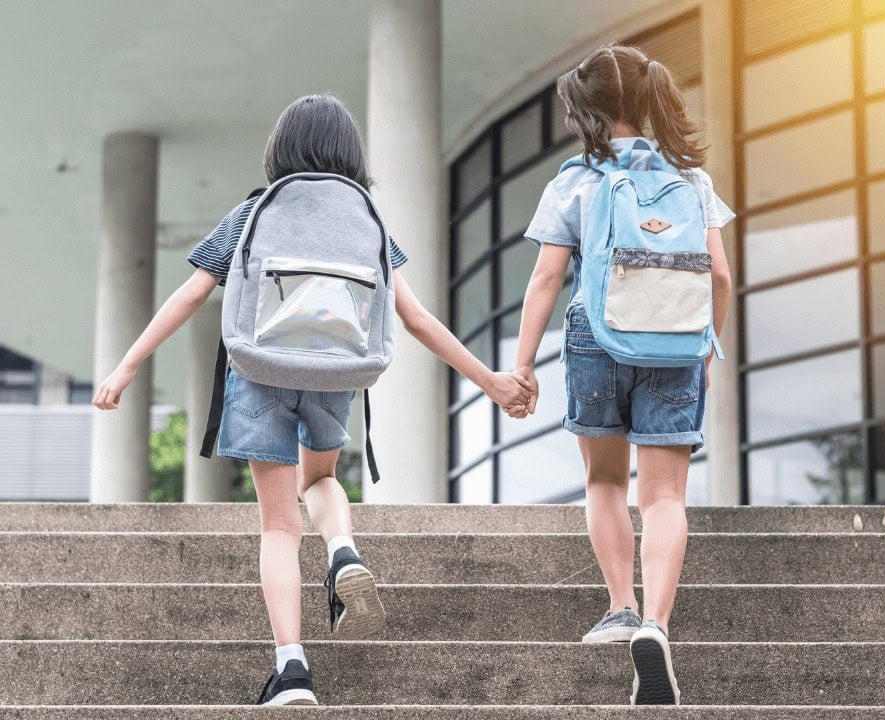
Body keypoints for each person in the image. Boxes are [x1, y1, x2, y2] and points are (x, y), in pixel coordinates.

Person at [93, 94, 530, 706]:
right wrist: (490, 380)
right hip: (335, 373)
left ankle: (292, 670)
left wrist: (125, 366)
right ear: (350, 154)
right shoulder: (367, 219)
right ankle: (343, 550)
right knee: (320, 481)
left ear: (280, 150)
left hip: (260, 369)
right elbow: (416, 316)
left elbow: (190, 296)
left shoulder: (253, 211)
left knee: (277, 523)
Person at [506, 45, 733, 705]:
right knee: (665, 497)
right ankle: (657, 626)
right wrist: (706, 349)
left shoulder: (575, 180)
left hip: (597, 340)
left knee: (605, 479)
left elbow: (547, 276)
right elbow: (718, 275)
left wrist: (521, 365)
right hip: (675, 344)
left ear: (589, 115)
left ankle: (621, 608)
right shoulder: (693, 181)